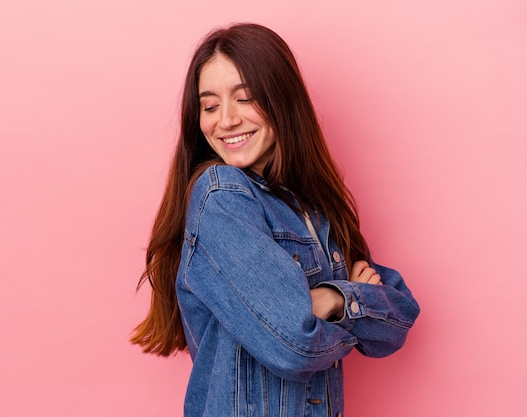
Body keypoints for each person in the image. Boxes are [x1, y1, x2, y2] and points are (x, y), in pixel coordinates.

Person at [131, 23, 420, 417]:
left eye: (245, 98)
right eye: (210, 106)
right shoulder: (221, 195)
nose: (226, 120)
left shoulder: (314, 208)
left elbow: (398, 319)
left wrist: (331, 300)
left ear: (283, 100)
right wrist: (349, 301)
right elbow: (293, 344)